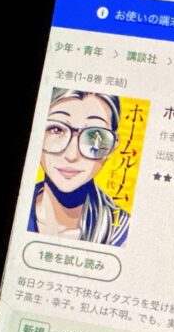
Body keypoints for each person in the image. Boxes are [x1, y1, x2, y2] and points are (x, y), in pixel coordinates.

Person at [27, 88, 129, 246]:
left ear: (113, 146)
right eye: (56, 129)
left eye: (95, 135)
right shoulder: (20, 208)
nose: (72, 155)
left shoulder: (123, 231)